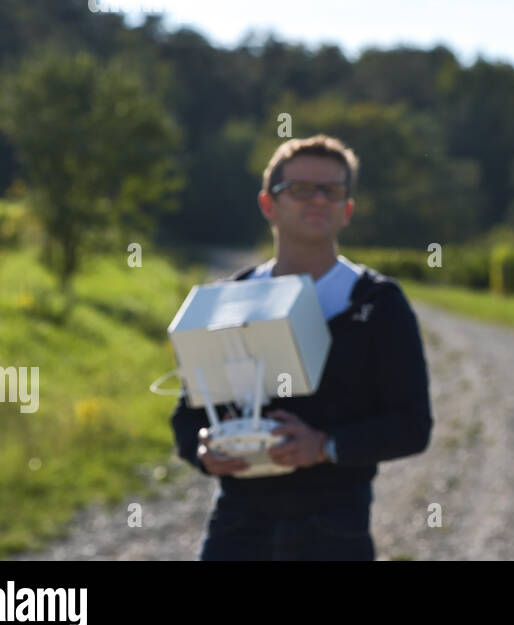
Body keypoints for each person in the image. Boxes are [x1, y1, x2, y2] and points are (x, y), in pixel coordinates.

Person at [170, 134, 433, 560]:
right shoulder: (227, 299)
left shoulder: (377, 303)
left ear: (347, 210)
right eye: (300, 189)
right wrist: (202, 450)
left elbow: (412, 425)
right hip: (237, 524)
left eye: (332, 190)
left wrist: (325, 445)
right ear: (267, 205)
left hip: (334, 527)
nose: (318, 200)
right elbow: (188, 413)